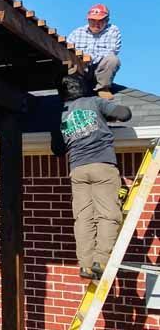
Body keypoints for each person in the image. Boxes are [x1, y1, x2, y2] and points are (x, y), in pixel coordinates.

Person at [51, 74, 132, 279]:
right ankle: (101, 261)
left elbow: (58, 149)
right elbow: (125, 114)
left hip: (78, 170)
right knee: (109, 214)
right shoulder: (94, 102)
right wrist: (105, 114)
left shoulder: (61, 115)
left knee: (83, 218)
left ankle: (85, 265)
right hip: (102, 165)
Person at [68, 4, 122, 97]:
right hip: (81, 68)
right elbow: (67, 50)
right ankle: (72, 89)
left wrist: (89, 58)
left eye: (100, 20)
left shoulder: (113, 30)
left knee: (113, 59)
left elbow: (111, 51)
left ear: (107, 20)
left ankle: (102, 87)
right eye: (92, 20)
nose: (96, 24)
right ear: (88, 20)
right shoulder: (77, 32)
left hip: (99, 68)